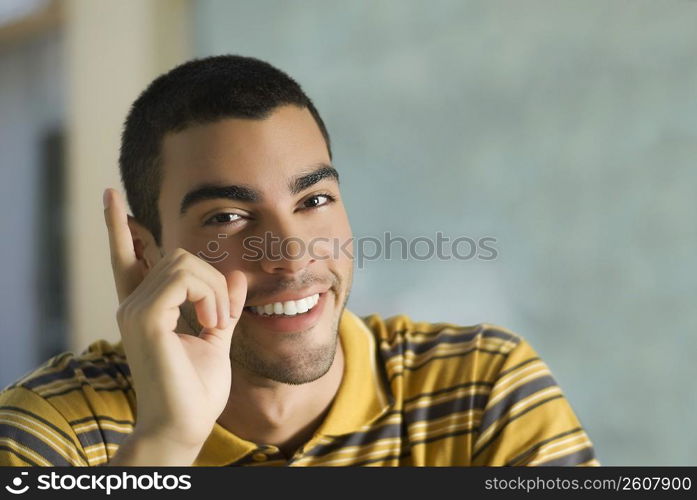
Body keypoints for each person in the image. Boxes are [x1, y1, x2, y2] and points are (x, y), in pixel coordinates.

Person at [0, 55, 598, 466]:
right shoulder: (52, 429)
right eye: (227, 217)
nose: (291, 256)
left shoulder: (482, 387)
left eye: (313, 200)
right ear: (146, 249)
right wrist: (164, 441)